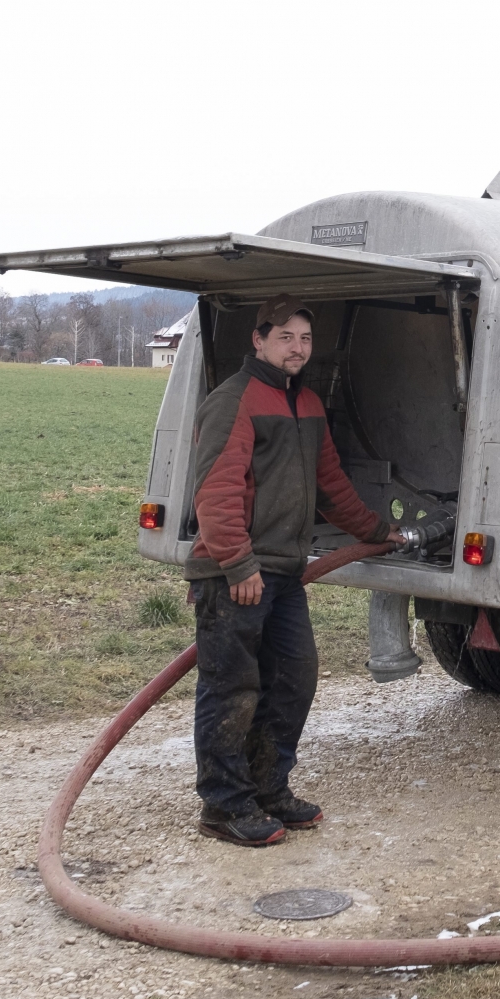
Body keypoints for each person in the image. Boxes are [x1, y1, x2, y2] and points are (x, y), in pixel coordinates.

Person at [185, 294, 396, 847]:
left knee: (292, 682)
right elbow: (217, 489)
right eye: (285, 337)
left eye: (304, 339)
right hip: (236, 574)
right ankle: (224, 806)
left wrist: (375, 530)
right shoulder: (234, 400)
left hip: (282, 572)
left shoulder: (306, 404)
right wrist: (236, 563)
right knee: (232, 690)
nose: (297, 348)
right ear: (258, 340)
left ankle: (268, 789)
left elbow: (330, 483)